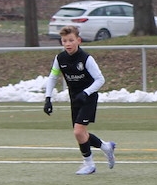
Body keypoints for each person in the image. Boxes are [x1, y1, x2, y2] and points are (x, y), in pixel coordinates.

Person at [44, 25, 116, 175]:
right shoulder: (60, 58)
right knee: (81, 133)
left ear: (78, 40)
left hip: (88, 97)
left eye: (71, 40)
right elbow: (53, 77)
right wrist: (48, 98)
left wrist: (86, 92)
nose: (68, 44)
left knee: (78, 132)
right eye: (65, 41)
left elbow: (100, 79)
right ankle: (106, 147)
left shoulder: (86, 58)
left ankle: (89, 164)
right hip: (75, 98)